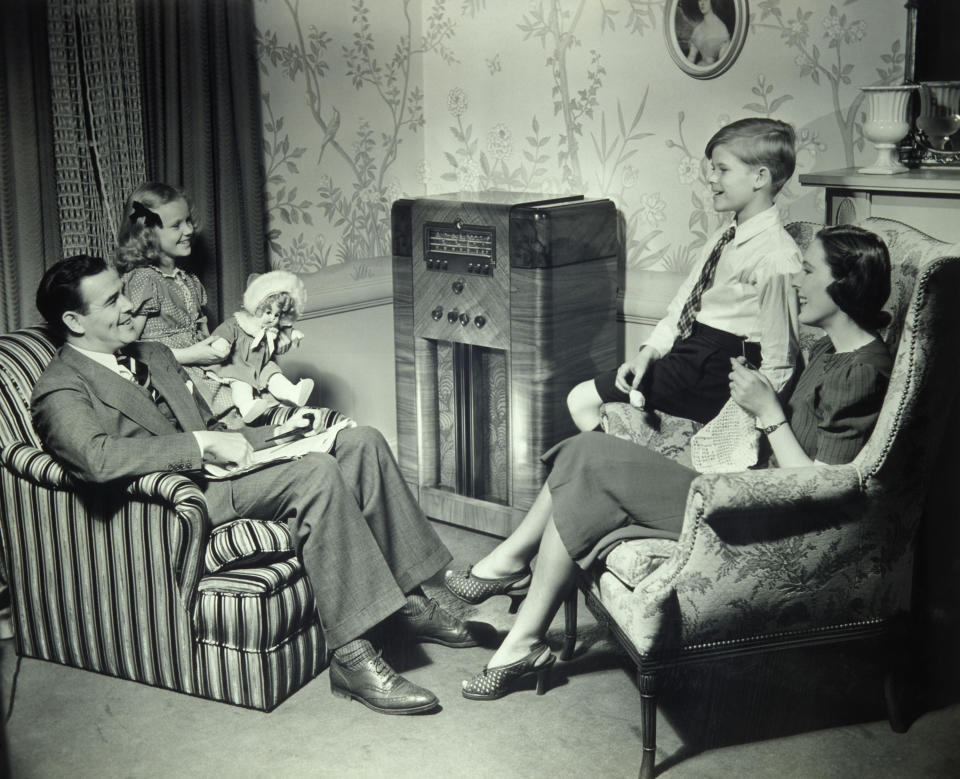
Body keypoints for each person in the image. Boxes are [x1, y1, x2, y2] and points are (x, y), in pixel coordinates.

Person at [446, 224, 893, 700]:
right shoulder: (829, 351)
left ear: (843, 285)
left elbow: (826, 488)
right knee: (581, 469)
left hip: (762, 512)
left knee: (585, 455)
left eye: (808, 271)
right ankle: (522, 639)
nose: (796, 282)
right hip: (740, 487)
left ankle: (512, 580)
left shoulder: (863, 370)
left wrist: (769, 414)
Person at [31, 254, 488, 716]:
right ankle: (351, 656)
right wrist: (199, 442)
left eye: (124, 292)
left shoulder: (154, 354)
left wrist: (289, 429)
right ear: (74, 320)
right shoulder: (61, 386)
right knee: (316, 472)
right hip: (178, 502)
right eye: (112, 301)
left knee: (361, 441)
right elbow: (96, 459)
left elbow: (217, 428)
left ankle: (407, 602)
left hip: (223, 474)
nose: (131, 305)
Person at [567, 117, 802, 431]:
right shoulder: (724, 236)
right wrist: (648, 353)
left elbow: (780, 356)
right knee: (596, 399)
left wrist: (755, 427)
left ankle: (612, 467)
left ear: (760, 177)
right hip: (693, 353)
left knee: (581, 399)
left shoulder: (777, 255)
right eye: (712, 168)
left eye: (723, 169)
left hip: (721, 371)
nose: (711, 178)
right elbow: (683, 307)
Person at [115, 182, 235, 418]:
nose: (189, 230)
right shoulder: (144, 279)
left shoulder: (187, 279)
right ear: (147, 234)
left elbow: (202, 329)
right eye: (176, 225)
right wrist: (190, 355)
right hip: (173, 373)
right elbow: (131, 347)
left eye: (188, 221)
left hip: (203, 366)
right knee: (222, 411)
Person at [206, 269, 315, 423]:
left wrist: (293, 336)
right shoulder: (238, 323)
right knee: (241, 385)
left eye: (277, 315)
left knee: (274, 374)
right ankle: (246, 407)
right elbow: (224, 332)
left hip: (260, 366)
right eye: (268, 312)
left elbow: (279, 346)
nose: (272, 318)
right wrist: (221, 343)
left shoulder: (270, 331)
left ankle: (292, 393)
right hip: (237, 364)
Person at [686, 0, 731, 66]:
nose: (702, 4)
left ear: (712, 1)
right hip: (698, 71)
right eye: (700, 0)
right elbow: (690, 59)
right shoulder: (697, 30)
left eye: (706, 0)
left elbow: (723, 65)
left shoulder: (721, 29)